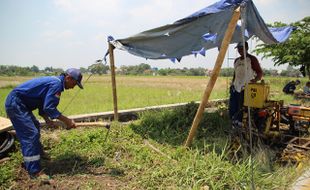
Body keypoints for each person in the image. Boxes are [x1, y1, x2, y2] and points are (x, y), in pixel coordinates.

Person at [5, 68, 83, 181]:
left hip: (20, 104)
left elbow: (43, 102)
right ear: (68, 78)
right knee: (31, 133)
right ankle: (34, 172)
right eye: (75, 83)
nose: (73, 87)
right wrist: (67, 120)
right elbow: (49, 107)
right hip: (16, 104)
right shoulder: (56, 84)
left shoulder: (56, 82)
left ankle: (37, 153)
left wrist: (46, 119)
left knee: (35, 126)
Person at [229, 41, 263, 126]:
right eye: (239, 49)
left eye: (242, 49)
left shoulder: (252, 59)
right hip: (235, 86)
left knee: (242, 107)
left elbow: (259, 73)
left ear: (246, 49)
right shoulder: (236, 60)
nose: (240, 51)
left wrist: (254, 81)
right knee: (233, 106)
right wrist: (232, 83)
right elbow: (235, 73)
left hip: (246, 87)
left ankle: (241, 123)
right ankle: (233, 122)